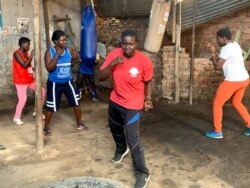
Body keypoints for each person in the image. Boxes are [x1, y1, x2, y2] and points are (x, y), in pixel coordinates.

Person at [98, 30, 153, 188]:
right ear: (120, 43)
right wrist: (113, 63)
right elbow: (100, 76)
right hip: (116, 100)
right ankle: (121, 150)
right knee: (114, 128)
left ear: (137, 44)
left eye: (131, 44)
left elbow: (148, 81)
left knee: (133, 139)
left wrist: (147, 98)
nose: (127, 47)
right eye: (124, 44)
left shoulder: (144, 61)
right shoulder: (115, 54)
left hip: (133, 104)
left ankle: (143, 173)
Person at [205, 27, 250, 139]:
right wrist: (216, 53)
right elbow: (225, 59)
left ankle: (217, 131)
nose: (217, 41)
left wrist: (213, 54)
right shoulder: (235, 45)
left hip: (233, 81)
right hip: (244, 79)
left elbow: (217, 67)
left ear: (223, 38)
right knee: (237, 102)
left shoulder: (226, 49)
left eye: (218, 39)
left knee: (217, 104)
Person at [43, 30, 88, 136]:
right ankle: (46, 127)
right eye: (62, 40)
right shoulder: (50, 52)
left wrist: (74, 59)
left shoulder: (68, 51)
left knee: (76, 103)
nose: (64, 42)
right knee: (51, 107)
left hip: (68, 82)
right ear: (55, 41)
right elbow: (49, 68)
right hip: (54, 83)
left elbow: (70, 65)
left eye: (65, 40)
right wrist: (57, 55)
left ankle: (79, 123)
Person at [12, 37, 46, 125]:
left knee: (42, 92)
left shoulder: (25, 53)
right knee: (23, 99)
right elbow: (24, 64)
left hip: (29, 79)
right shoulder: (16, 53)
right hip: (20, 81)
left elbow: (28, 65)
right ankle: (16, 117)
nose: (29, 46)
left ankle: (37, 112)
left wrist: (33, 68)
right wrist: (32, 55)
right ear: (22, 44)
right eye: (28, 44)